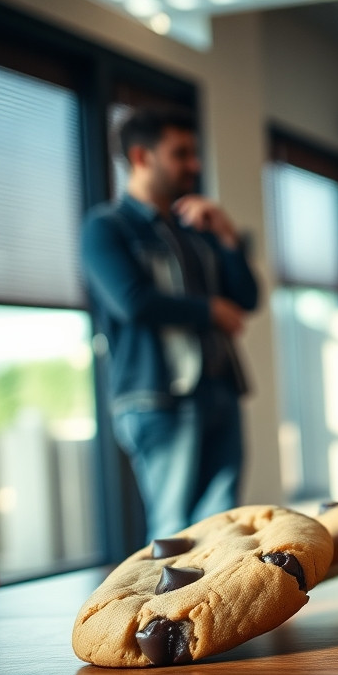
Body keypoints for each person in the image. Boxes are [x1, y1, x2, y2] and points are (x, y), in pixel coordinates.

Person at [81, 109, 259, 542]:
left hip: (220, 387)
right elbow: (133, 302)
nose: (194, 165)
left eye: (194, 154)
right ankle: (167, 613)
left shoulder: (195, 226)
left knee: (222, 530)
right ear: (141, 157)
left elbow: (248, 299)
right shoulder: (106, 227)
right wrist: (209, 311)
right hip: (158, 396)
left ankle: (214, 611)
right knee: (175, 530)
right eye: (181, 154)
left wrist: (227, 238)